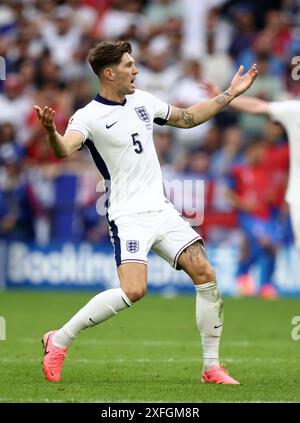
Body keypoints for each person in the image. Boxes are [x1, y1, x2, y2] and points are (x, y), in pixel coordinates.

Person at [34, 41, 257, 385]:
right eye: (128, 65)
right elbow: (64, 149)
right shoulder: (88, 116)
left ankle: (211, 367)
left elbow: (187, 118)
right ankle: (58, 340)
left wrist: (229, 94)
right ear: (109, 73)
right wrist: (51, 131)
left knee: (205, 272)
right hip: (128, 215)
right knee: (134, 291)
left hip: (161, 209)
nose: (135, 70)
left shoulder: (143, 101)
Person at [203, 80, 300, 252]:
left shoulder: (282, 151)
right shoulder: (295, 110)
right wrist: (226, 97)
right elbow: (259, 106)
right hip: (284, 206)